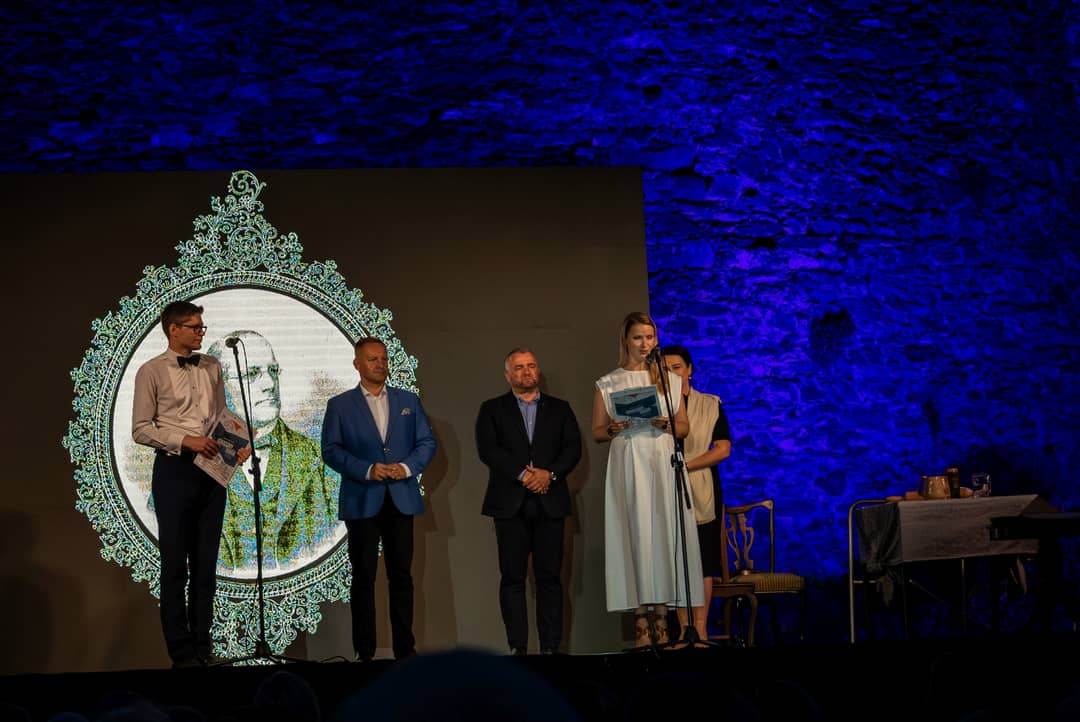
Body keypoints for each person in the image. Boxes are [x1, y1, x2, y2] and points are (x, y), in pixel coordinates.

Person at [131, 301, 250, 667]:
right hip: (174, 470)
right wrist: (185, 441)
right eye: (195, 327)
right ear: (174, 329)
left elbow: (220, 416)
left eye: (202, 326)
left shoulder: (211, 366)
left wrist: (237, 444)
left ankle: (203, 647)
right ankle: (181, 654)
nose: (201, 332)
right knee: (175, 566)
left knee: (205, 564)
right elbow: (141, 429)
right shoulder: (151, 371)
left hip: (212, 469)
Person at [321, 337, 437, 661]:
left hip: (400, 499)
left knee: (402, 577)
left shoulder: (408, 401)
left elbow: (427, 442)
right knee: (363, 578)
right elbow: (331, 450)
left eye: (384, 359)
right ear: (357, 364)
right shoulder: (340, 405)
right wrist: (368, 470)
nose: (380, 364)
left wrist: (405, 467)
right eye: (373, 359)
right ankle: (365, 652)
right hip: (362, 500)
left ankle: (405, 651)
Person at [592, 312, 702, 647]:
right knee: (635, 532)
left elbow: (684, 426)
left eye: (650, 337)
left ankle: (663, 618)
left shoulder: (668, 380)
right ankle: (641, 620)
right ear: (626, 340)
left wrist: (667, 423)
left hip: (661, 459)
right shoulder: (609, 382)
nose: (645, 344)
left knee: (663, 533)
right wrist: (614, 428)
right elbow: (597, 431)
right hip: (629, 460)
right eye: (638, 337)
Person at [475, 347, 583, 655]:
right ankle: (518, 648)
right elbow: (488, 450)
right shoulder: (492, 409)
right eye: (519, 367)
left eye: (531, 366)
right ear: (508, 375)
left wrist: (550, 475)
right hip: (510, 504)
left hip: (550, 501)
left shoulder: (560, 409)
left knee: (550, 578)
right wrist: (524, 475)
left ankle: (551, 648)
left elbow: (572, 449)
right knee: (513, 579)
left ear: (538, 371)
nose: (526, 372)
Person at [206, 331, 335, 571]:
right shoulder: (194, 463)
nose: (269, 384)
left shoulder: (318, 459)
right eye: (252, 374)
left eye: (273, 371)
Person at [662, 344, 732, 644]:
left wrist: (688, 465)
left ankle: (700, 628)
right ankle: (682, 628)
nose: (672, 373)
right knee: (676, 559)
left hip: (701, 484)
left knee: (703, 559)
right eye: (665, 369)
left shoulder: (710, 404)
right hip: (665, 485)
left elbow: (723, 449)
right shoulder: (657, 407)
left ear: (689, 370)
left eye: (677, 367)